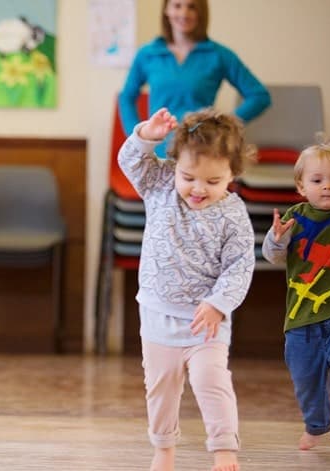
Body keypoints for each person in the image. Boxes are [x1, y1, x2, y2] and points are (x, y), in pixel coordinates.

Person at [118, 107, 256, 471]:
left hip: (205, 319)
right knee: (161, 387)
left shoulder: (233, 213)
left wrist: (218, 303)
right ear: (175, 163)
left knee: (210, 380)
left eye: (213, 182)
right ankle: (163, 449)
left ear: (232, 175)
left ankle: (224, 449)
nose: (198, 189)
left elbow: (240, 265)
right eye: (189, 176)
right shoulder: (160, 184)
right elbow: (130, 161)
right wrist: (147, 134)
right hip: (158, 311)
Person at [262, 138, 330, 451]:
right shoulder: (294, 217)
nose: (328, 186)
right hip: (300, 320)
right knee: (305, 379)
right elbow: (272, 256)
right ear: (301, 186)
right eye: (318, 180)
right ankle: (316, 425)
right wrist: (277, 239)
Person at [118, 0, 270, 155]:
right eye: (177, 6)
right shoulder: (148, 54)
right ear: (166, 10)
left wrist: (224, 125)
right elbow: (126, 98)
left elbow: (259, 96)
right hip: (157, 154)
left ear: (201, 12)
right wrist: (138, 137)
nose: (184, 13)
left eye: (191, 7)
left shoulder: (219, 55)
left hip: (200, 152)